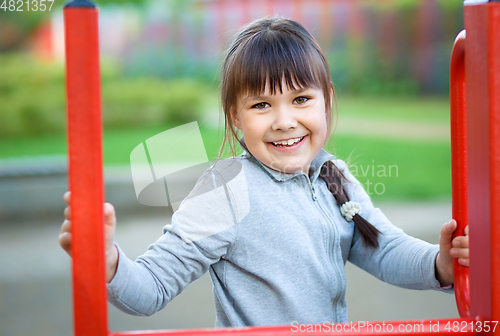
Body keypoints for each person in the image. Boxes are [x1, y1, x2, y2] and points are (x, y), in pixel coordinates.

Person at [59, 17, 470, 327]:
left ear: (327, 100)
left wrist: (439, 264)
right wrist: (106, 259)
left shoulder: (333, 174)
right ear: (236, 117)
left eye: (301, 99)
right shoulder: (224, 190)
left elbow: (382, 248)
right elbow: (151, 288)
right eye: (261, 105)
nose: (284, 121)